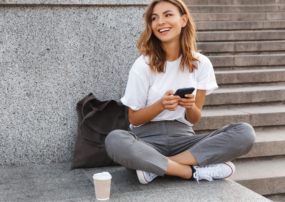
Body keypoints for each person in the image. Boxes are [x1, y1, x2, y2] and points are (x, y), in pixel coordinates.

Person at [105, 0, 256, 184]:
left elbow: (194, 119)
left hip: (184, 140)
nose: (160, 22)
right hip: (146, 142)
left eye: (167, 15)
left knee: (244, 133)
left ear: (184, 20)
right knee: (114, 140)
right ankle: (190, 172)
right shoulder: (143, 64)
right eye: (154, 18)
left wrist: (190, 106)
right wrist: (160, 105)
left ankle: (156, 167)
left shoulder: (201, 64)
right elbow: (134, 118)